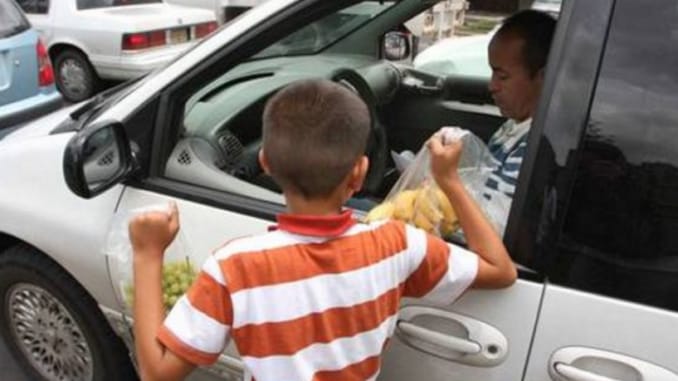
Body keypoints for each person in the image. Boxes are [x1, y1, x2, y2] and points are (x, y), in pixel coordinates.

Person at [128, 79, 517, 381]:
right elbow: (501, 270)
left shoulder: (234, 268)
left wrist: (147, 254)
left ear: (265, 162)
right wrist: (448, 180)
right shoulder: (397, 244)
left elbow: (157, 373)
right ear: (360, 172)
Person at [483, 10, 556, 235]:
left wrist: (450, 186)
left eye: (502, 76)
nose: (491, 86)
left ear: (543, 78)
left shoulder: (533, 148)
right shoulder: (514, 126)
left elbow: (499, 230)